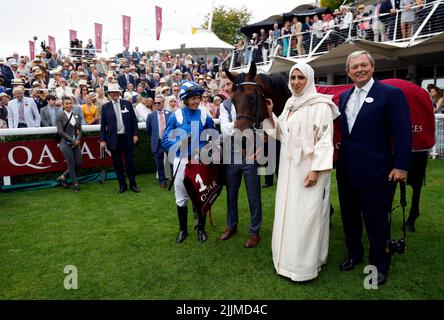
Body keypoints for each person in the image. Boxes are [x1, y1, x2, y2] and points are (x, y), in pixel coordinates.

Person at [336, 51, 412, 286]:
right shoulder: (344, 96)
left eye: (363, 65)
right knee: (349, 217)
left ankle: (379, 266)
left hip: (376, 170)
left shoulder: (391, 94)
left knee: (376, 220)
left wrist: (401, 165)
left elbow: (402, 132)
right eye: (354, 67)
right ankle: (354, 255)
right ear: (348, 72)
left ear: (372, 66)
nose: (359, 69)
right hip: (346, 169)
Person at [267, 63, 340, 282]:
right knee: (289, 214)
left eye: (301, 78)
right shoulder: (290, 104)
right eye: (293, 78)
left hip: (310, 170)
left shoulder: (321, 105)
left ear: (309, 79)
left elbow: (325, 141)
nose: (296, 82)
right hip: (289, 167)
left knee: (307, 217)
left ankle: (305, 267)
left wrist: (316, 171)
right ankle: (285, 261)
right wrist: (271, 115)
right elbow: (283, 134)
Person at [161, 81, 216, 244]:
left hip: (199, 161)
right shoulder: (175, 115)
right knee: (181, 197)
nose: (196, 101)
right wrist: (179, 144)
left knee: (200, 195)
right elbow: (165, 139)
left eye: (198, 98)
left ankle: (201, 229)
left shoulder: (204, 113)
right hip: (181, 160)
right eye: (192, 98)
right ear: (185, 99)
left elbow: (213, 133)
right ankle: (183, 230)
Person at [219, 77, 263, 248]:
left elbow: (259, 125)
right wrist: (240, 123)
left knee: (253, 194)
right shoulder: (224, 105)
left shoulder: (252, 100)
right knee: (231, 194)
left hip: (250, 153)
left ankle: (254, 231)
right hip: (231, 155)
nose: (227, 87)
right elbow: (225, 129)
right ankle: (232, 225)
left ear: (236, 85)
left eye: (229, 84)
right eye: (224, 85)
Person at [100, 83, 140, 193]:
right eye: (112, 92)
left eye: (116, 92)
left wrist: (135, 134)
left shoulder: (127, 104)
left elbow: (134, 121)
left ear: (119, 93)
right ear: (109, 94)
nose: (114, 94)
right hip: (113, 139)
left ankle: (133, 184)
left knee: (130, 162)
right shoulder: (105, 107)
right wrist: (102, 140)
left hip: (127, 137)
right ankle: (122, 185)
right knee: (117, 164)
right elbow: (103, 125)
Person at [56, 96, 83, 192]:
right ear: (63, 105)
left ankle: (62, 177)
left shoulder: (75, 114)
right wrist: (73, 141)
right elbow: (60, 132)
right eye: (66, 103)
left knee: (79, 162)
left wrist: (77, 140)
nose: (69, 105)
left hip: (76, 143)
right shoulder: (60, 116)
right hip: (65, 143)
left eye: (70, 103)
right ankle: (76, 185)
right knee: (71, 164)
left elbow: (80, 130)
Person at [146, 95, 172, 188]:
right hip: (157, 142)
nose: (157, 104)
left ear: (163, 103)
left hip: (169, 142)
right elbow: (148, 130)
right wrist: (155, 138)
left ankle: (174, 179)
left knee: (172, 162)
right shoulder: (151, 115)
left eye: (159, 103)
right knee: (159, 163)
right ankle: (162, 181)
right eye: (155, 103)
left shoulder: (170, 114)